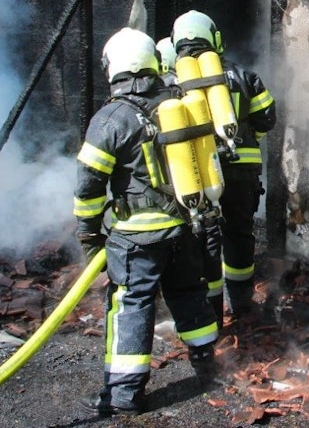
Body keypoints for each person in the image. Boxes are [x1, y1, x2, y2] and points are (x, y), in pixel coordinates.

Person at [73, 27, 219, 416]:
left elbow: (89, 185)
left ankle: (123, 395)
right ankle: (208, 367)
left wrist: (88, 234)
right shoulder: (178, 104)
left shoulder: (110, 119)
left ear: (116, 69)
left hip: (137, 237)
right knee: (189, 292)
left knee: (132, 305)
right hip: (185, 225)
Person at [171, 10, 277, 319]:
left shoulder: (170, 81)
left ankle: (211, 310)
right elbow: (267, 118)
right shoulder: (244, 75)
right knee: (239, 234)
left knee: (203, 239)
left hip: (197, 173)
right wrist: (246, 137)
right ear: (215, 39)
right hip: (241, 172)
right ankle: (242, 301)